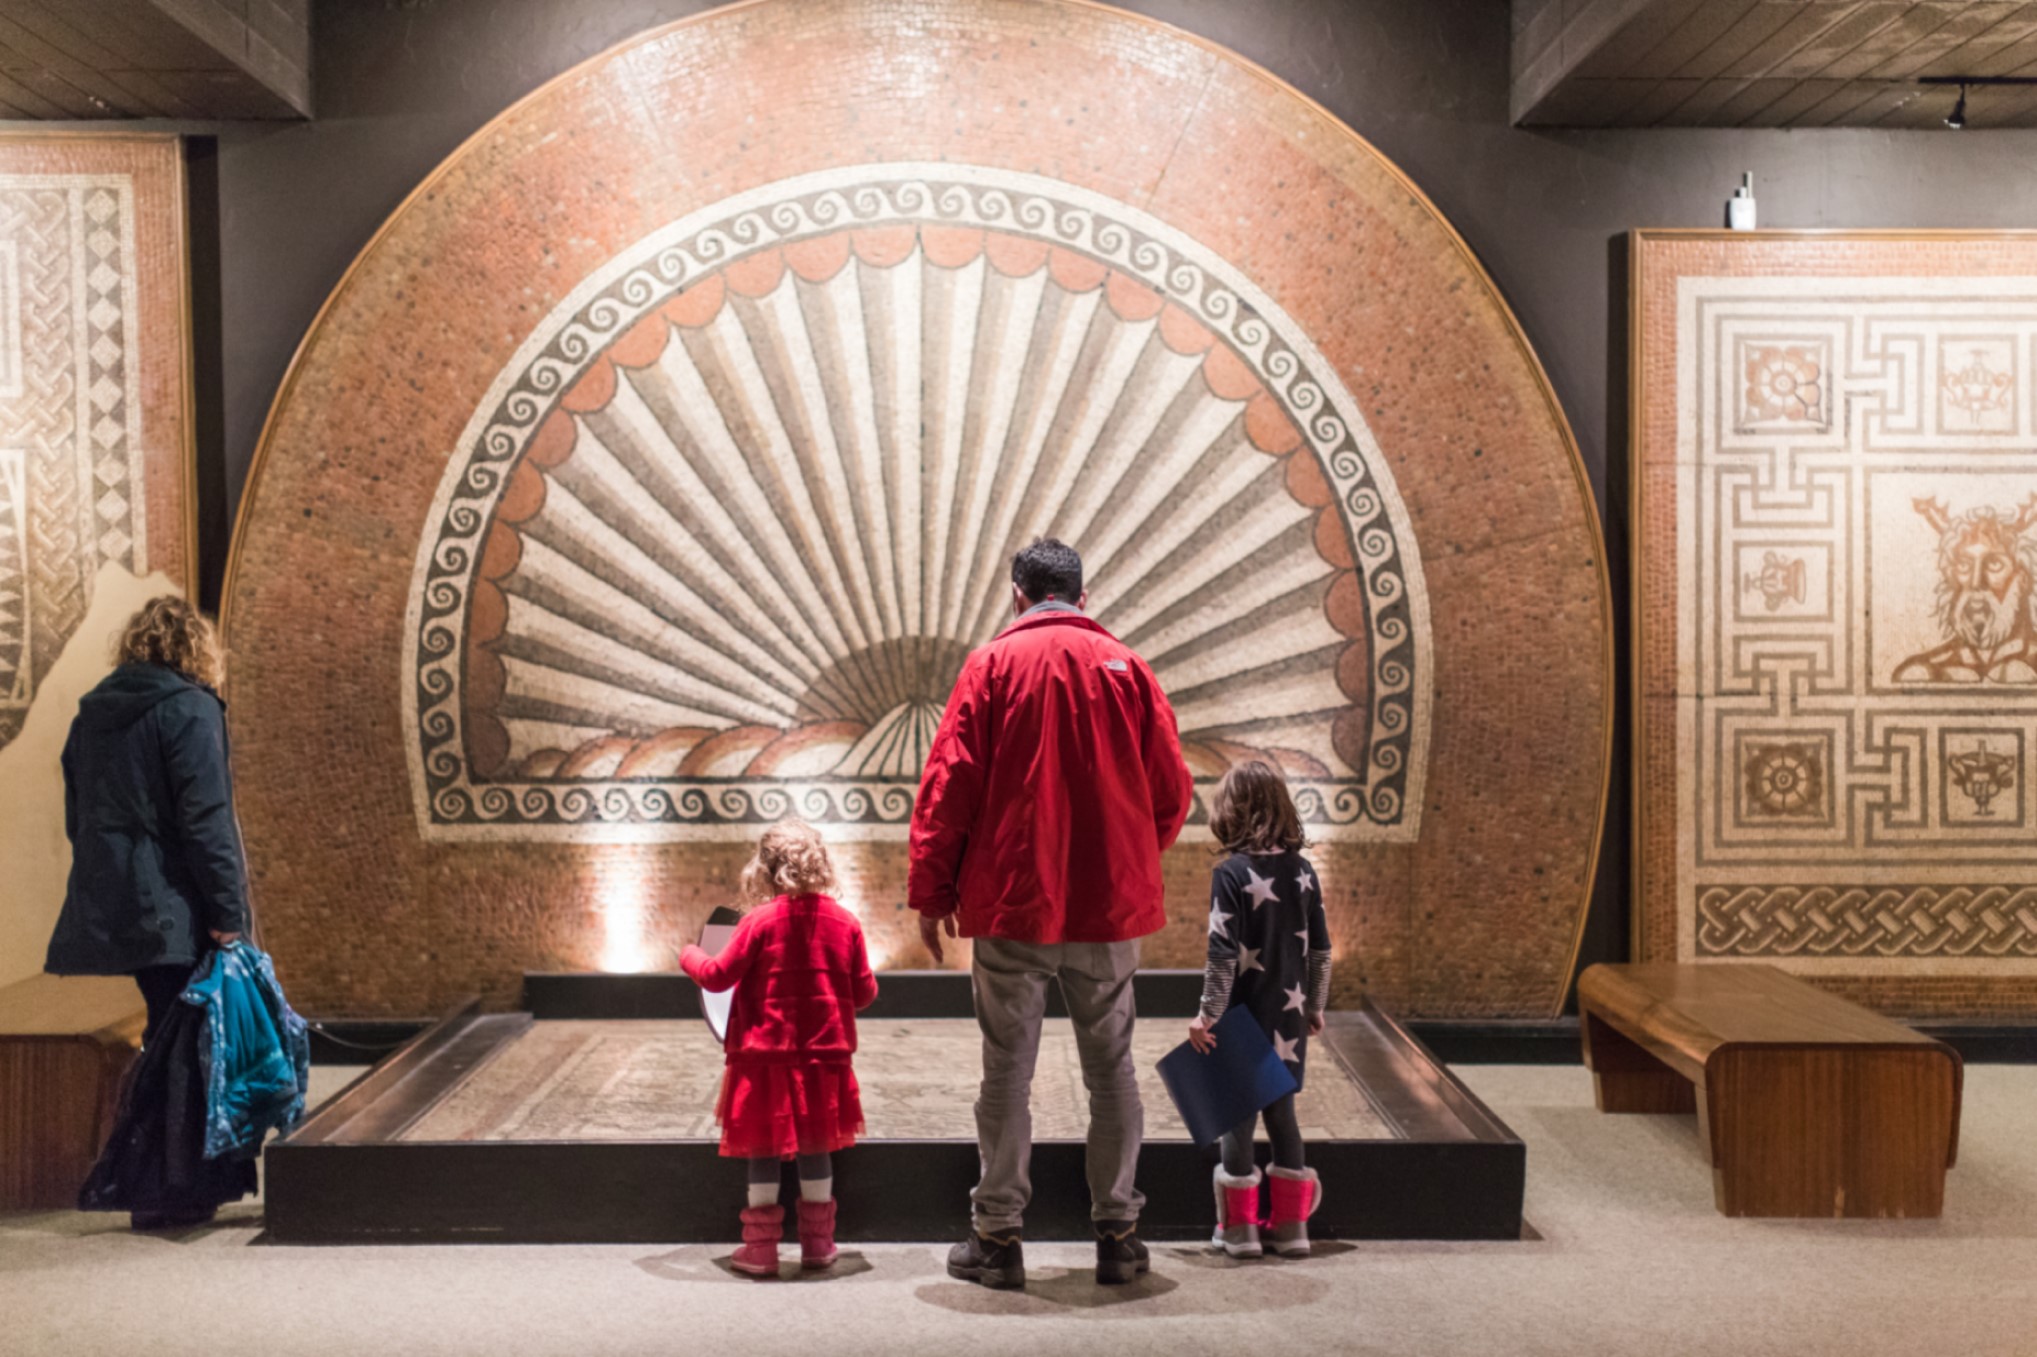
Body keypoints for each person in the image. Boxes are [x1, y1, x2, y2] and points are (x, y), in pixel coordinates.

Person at [909, 537, 1193, 1289]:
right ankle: (1120, 1237)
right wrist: (1125, 857)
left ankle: (997, 1239)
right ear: (1082, 595)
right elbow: (1171, 790)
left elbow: (949, 790)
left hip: (1011, 907)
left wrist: (932, 892)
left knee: (1006, 1073)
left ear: (1016, 596)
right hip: (1106, 912)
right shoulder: (1126, 669)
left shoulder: (990, 667)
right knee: (1113, 1072)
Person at [43, 596, 251, 1231]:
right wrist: (228, 912)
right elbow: (206, 821)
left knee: (167, 1036)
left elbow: (80, 816)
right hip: (177, 907)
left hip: (122, 904)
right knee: (186, 1046)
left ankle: (163, 1185)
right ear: (197, 651)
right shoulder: (189, 709)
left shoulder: (93, 714)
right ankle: (165, 1188)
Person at [679, 820, 878, 1277]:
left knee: (762, 1150)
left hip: (763, 1059)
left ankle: (761, 1250)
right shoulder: (845, 922)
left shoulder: (757, 922)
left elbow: (716, 976)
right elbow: (864, 993)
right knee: (816, 1146)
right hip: (824, 1058)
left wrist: (688, 953)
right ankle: (819, 1244)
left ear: (765, 870)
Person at [1188, 760, 1330, 1259]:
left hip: (1240, 1016)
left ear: (1231, 811)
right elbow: (1321, 951)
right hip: (1287, 1016)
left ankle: (1240, 1231)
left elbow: (1222, 956)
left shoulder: (1230, 874)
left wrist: (1207, 1014)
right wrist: (1315, 1005)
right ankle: (1292, 1230)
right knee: (1283, 1116)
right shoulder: (1305, 873)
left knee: (1238, 1121)